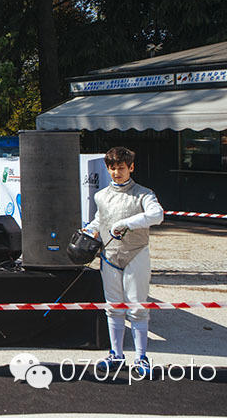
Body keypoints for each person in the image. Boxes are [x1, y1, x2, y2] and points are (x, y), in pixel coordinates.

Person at [82, 147, 164, 378]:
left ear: (131, 167)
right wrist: (88, 231)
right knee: (114, 307)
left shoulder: (144, 194)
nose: (117, 172)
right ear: (107, 169)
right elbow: (101, 220)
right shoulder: (101, 196)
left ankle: (141, 357)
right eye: (113, 168)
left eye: (121, 168)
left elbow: (157, 215)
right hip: (109, 256)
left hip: (136, 253)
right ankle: (116, 354)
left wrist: (128, 222)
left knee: (137, 307)